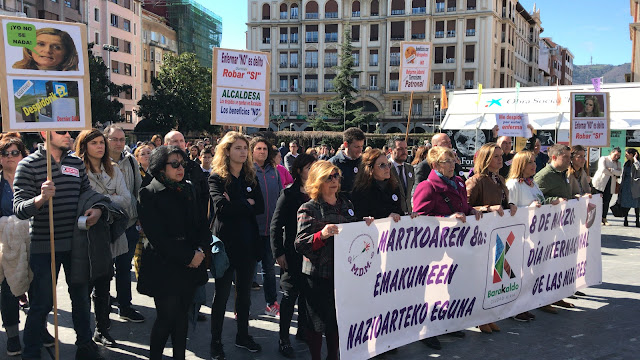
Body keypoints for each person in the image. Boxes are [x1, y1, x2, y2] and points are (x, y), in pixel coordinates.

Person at [14, 130, 104, 359]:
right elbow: (20, 209)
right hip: (44, 246)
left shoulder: (76, 162)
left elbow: (87, 192)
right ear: (45, 133)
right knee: (42, 303)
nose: (68, 135)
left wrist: (97, 209)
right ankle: (32, 352)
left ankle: (85, 346)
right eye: (62, 132)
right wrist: (41, 198)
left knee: (81, 300)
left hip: (76, 244)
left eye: (70, 132)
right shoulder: (28, 165)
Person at [137, 146, 209, 360]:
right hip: (164, 265)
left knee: (181, 318)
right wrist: (188, 257)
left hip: (191, 261)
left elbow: (200, 224)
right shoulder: (149, 192)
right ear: (160, 167)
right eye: (174, 164)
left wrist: (201, 251)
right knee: (166, 318)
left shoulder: (188, 188)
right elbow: (157, 237)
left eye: (182, 164)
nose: (180, 168)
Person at [413, 146, 481, 348]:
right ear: (435, 165)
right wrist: (446, 219)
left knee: (454, 285)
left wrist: (472, 210)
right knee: (433, 290)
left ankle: (448, 323)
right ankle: (427, 330)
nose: (452, 165)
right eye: (447, 161)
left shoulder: (459, 182)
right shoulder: (427, 187)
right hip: (435, 248)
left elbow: (462, 207)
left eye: (453, 160)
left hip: (457, 245)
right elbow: (420, 218)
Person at [210, 132, 264, 359]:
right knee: (221, 296)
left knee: (243, 295)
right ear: (227, 151)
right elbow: (221, 208)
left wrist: (238, 203)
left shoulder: (251, 177)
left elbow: (260, 206)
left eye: (245, 148)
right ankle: (215, 342)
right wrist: (246, 204)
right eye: (238, 148)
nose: (243, 152)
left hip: (248, 243)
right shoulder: (216, 178)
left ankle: (243, 335)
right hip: (225, 244)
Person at [295, 161, 358, 360]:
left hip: (341, 272)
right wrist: (321, 235)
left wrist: (367, 225)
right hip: (318, 275)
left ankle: (333, 356)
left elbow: (355, 234)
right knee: (317, 322)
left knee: (336, 321)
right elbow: (301, 244)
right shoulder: (309, 208)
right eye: (328, 177)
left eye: (336, 176)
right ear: (317, 181)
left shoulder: (346, 204)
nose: (334, 181)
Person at [75, 129, 131, 347]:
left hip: (109, 232)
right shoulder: (78, 171)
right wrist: (110, 198)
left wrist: (100, 200)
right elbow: (82, 203)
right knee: (84, 286)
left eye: (101, 142)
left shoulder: (113, 169)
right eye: (94, 143)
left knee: (104, 283)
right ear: (84, 145)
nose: (99, 146)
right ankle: (83, 333)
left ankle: (102, 329)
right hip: (85, 235)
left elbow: (126, 200)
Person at [466, 143, 517, 334]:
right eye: (495, 156)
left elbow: (502, 202)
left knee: (493, 279)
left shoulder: (500, 179)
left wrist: (510, 204)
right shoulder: (475, 181)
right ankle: (479, 318)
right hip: (481, 238)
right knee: (480, 279)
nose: (500, 159)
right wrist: (487, 208)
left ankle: (487, 316)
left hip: (498, 236)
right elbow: (466, 208)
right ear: (486, 159)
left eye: (500, 155)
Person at [270, 154, 316, 358]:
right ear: (299, 170)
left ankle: (302, 331)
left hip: (313, 254)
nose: (312, 172)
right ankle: (283, 339)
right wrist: (278, 253)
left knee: (307, 295)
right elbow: (275, 225)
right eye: (308, 168)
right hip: (292, 253)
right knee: (289, 297)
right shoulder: (288, 194)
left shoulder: (318, 191)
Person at [104, 125, 145, 323]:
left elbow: (138, 189)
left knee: (123, 268)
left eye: (122, 139)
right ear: (106, 140)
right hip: (104, 226)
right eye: (114, 139)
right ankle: (102, 312)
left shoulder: (130, 161)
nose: (119, 143)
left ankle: (125, 306)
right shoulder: (98, 162)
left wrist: (138, 217)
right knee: (103, 271)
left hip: (128, 225)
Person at [506, 150, 552, 321]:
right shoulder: (514, 185)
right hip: (519, 238)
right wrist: (529, 209)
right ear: (520, 165)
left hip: (534, 236)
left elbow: (539, 202)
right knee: (518, 274)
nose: (534, 165)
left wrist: (549, 203)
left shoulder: (532, 184)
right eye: (529, 162)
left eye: (534, 162)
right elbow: (510, 211)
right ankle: (515, 309)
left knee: (529, 273)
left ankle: (525, 305)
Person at [532, 144, 576, 311]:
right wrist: (553, 200)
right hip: (547, 228)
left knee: (559, 263)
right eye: (566, 157)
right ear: (554, 157)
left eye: (569, 157)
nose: (569, 160)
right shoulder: (544, 175)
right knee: (547, 264)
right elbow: (538, 197)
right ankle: (543, 300)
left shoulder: (562, 174)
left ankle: (557, 296)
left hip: (561, 225)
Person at [0, 135, 30, 356]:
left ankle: (38, 329)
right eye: (4, 153)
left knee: (39, 288)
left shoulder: (32, 178)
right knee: (8, 290)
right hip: (4, 244)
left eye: (14, 152)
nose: (10, 157)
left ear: (22, 154)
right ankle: (12, 334)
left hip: (32, 240)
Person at [250, 137, 282, 317]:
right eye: (258, 148)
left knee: (269, 269)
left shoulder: (275, 171)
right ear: (252, 150)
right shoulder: (247, 171)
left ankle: (271, 303)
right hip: (252, 229)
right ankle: (242, 306)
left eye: (265, 149)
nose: (262, 151)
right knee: (247, 271)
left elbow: (279, 197)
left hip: (269, 229)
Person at [352, 148, 403, 220]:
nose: (387, 168)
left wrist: (411, 217)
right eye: (382, 165)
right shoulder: (362, 191)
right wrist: (386, 217)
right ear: (371, 169)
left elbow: (400, 212)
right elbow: (359, 217)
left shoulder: (394, 187)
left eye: (388, 164)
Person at [12, 28, 79, 71]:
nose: (47, 50)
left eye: (57, 47)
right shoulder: (15, 71)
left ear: (66, 53)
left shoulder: (75, 79)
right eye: (41, 44)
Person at [329, 127, 365, 194]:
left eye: (362, 146)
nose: (360, 150)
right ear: (346, 144)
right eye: (356, 147)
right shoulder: (332, 164)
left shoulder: (363, 163)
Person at [592, 147, 622, 225]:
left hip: (610, 184)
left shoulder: (618, 163)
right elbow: (603, 169)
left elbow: (619, 173)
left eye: (618, 156)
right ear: (611, 153)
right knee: (598, 201)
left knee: (607, 201)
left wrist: (611, 170)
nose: (616, 157)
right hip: (600, 183)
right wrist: (613, 173)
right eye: (615, 155)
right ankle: (597, 218)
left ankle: (604, 218)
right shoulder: (604, 159)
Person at [389, 137, 415, 214]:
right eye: (400, 149)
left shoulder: (410, 168)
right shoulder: (386, 168)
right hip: (393, 216)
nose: (404, 152)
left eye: (406, 148)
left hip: (408, 217)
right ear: (391, 151)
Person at [619, 148, 640, 227]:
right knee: (625, 203)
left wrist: (635, 159)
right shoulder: (626, 163)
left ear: (633, 154)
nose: (626, 156)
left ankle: (637, 220)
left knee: (636, 204)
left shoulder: (637, 162)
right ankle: (626, 219)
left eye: (627, 154)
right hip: (626, 185)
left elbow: (638, 169)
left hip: (635, 186)